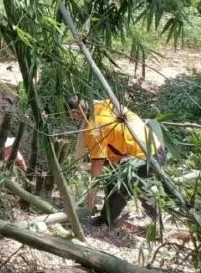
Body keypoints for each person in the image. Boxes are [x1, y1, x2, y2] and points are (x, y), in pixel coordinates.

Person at [67, 95, 163, 226]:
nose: (73, 118)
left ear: (75, 112)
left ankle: (105, 222)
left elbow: (97, 163)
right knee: (116, 182)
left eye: (72, 115)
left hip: (144, 157)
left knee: (121, 188)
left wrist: (91, 195)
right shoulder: (106, 104)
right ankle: (155, 217)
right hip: (155, 148)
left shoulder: (94, 127)